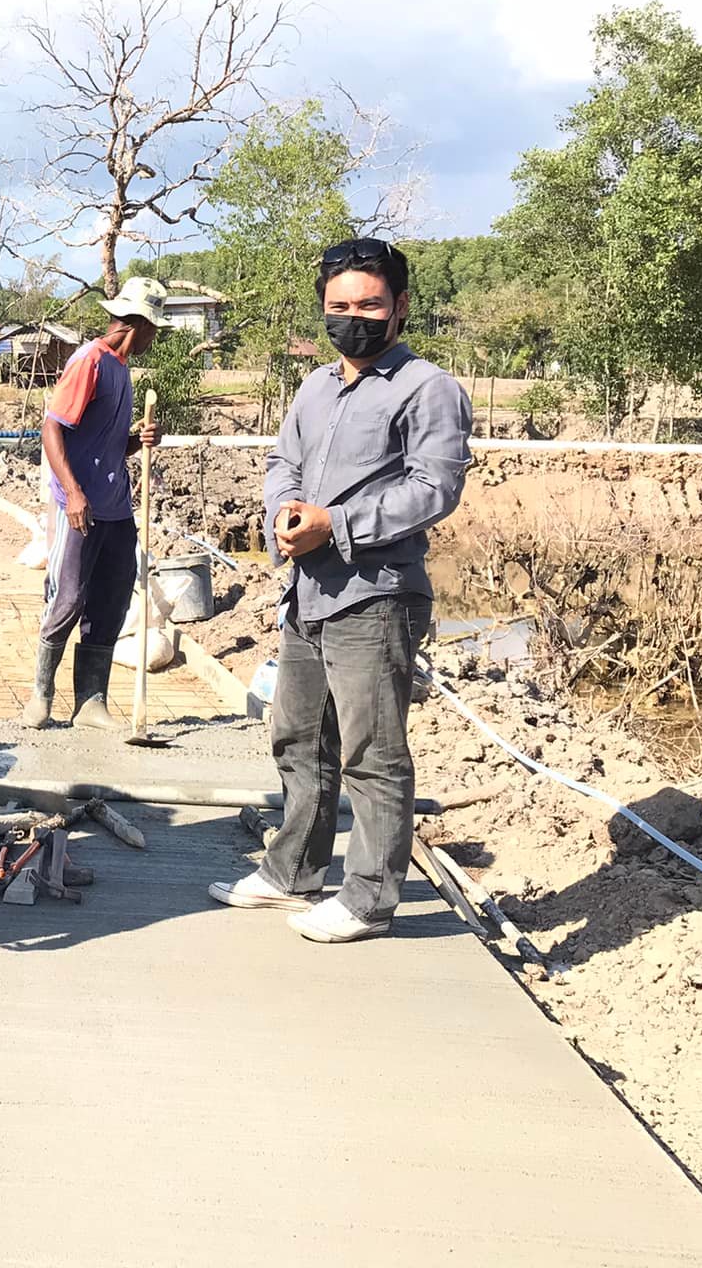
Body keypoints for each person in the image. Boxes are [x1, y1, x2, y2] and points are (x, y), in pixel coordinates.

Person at [208, 239, 471, 944]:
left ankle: (370, 898)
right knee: (298, 736)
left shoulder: (428, 388)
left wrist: (338, 524)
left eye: (370, 305)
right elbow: (280, 462)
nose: (354, 318)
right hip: (307, 589)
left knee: (371, 752)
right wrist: (283, 515)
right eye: (340, 307)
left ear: (401, 307)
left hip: (376, 592)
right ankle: (293, 871)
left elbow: (434, 488)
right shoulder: (317, 386)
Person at [19, 277, 165, 730]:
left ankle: (90, 702)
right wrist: (74, 493)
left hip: (117, 507)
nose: (154, 339)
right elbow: (52, 428)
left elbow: (104, 442)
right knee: (68, 599)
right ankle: (41, 695)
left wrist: (134, 442)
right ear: (136, 325)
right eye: (154, 330)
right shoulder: (90, 361)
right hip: (80, 505)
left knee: (111, 599)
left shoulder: (121, 369)